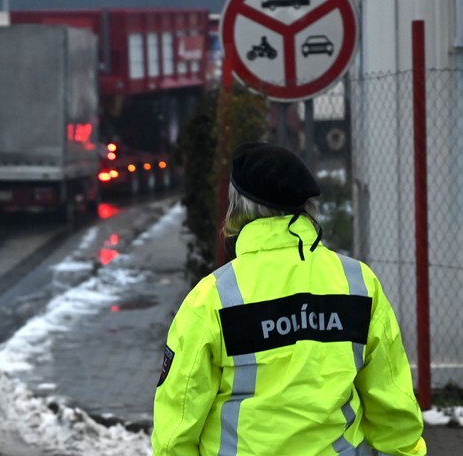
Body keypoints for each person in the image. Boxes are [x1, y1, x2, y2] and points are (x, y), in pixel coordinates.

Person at [151, 142, 426, 455]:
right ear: (306, 207)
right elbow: (394, 410)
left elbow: (176, 431)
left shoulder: (211, 299)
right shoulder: (359, 284)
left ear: (236, 208)